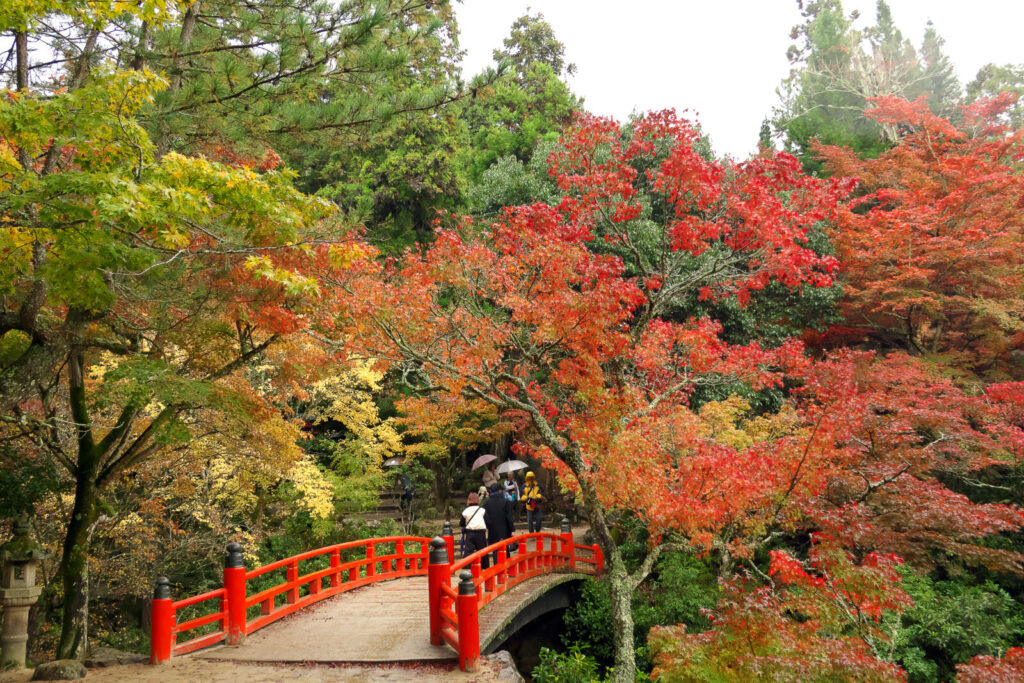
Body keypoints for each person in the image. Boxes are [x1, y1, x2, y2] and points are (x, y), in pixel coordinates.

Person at [482, 483, 515, 564]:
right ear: (500, 490)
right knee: (505, 548)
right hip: (504, 529)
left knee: (495, 549)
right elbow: (509, 517)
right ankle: (506, 566)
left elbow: (485, 517)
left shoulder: (487, 503)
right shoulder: (505, 502)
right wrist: (512, 529)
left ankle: (497, 567)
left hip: (492, 529)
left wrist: (489, 525)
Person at [460, 492, 489, 569]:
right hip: (480, 532)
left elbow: (461, 523)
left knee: (469, 551)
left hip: (470, 532)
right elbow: (488, 521)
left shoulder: (465, 511)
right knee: (482, 550)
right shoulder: (482, 510)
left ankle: (467, 566)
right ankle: (484, 566)